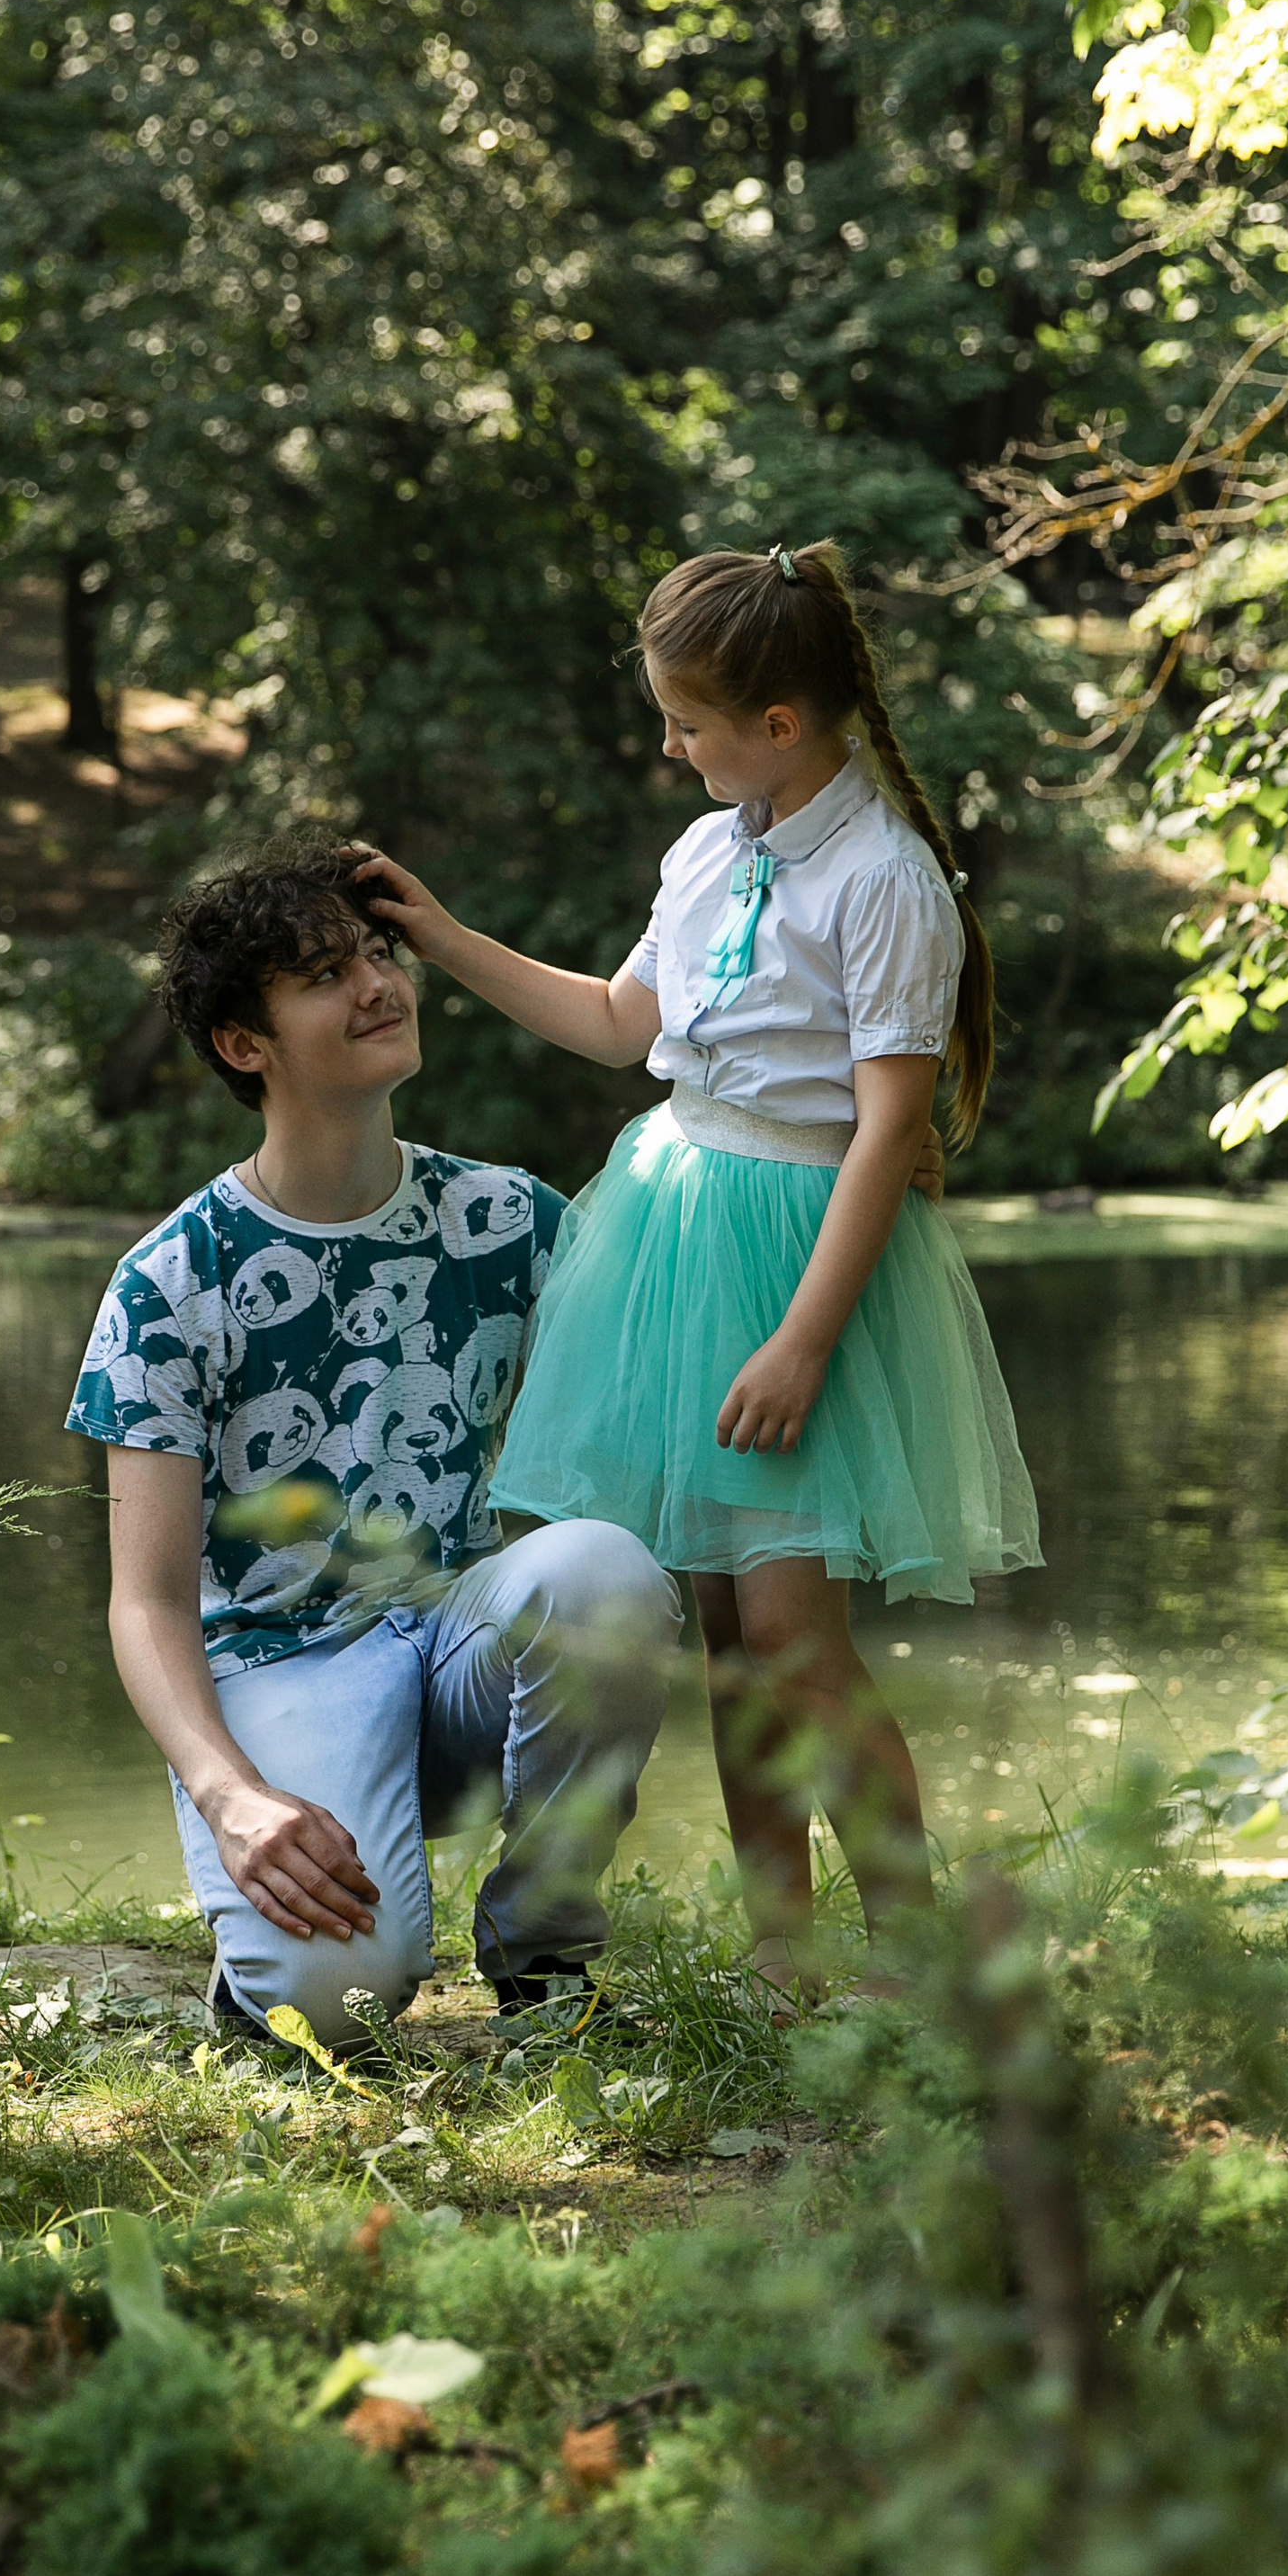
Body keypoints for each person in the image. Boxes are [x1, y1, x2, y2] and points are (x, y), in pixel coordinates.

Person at [358, 541, 1042, 2004]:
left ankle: (916, 1944)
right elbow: (620, 1025)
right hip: (675, 1242)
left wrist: (802, 1341)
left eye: (685, 718)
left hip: (806, 1263)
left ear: (779, 726)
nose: (668, 744)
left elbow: (885, 1134)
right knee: (731, 1634)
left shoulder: (885, 879)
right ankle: (783, 1954)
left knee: (798, 1640)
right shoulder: (712, 843)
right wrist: (444, 936)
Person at [67, 842, 680, 2050]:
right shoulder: (169, 1283)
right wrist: (231, 1797)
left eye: (380, 955)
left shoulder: (507, 1221)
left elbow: (659, 1384)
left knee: (603, 1572)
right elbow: (145, 1604)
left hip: (455, 1650)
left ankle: (545, 1953)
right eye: (321, 975)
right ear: (247, 1045)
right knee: (337, 2006)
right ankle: (272, 1959)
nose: (376, 988)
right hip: (277, 1678)